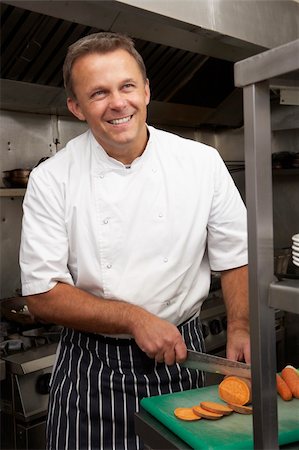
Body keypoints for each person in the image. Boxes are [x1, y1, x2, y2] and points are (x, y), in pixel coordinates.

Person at [20, 32, 250, 450]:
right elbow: (41, 294)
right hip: (92, 369)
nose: (118, 103)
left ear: (146, 90)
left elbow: (235, 255)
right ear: (76, 107)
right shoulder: (52, 178)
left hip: (182, 357)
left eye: (127, 86)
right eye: (98, 93)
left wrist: (240, 324)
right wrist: (134, 318)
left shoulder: (200, 163)